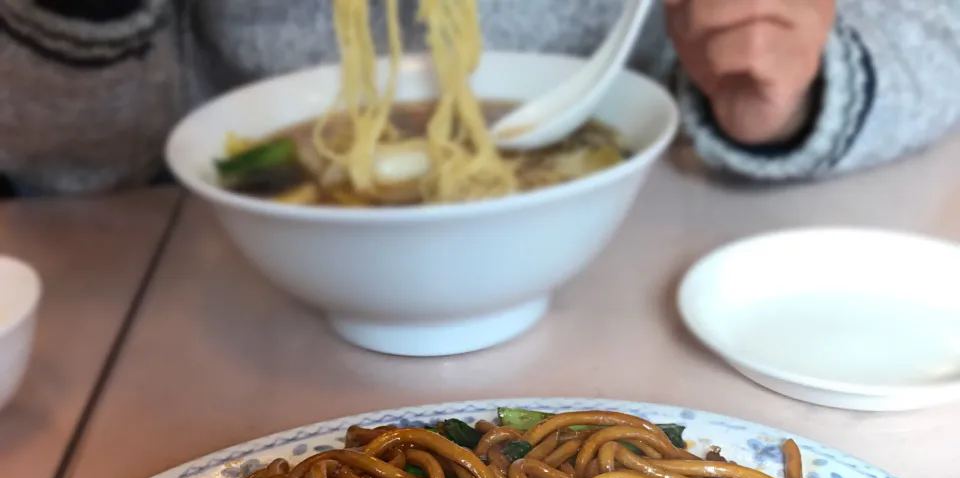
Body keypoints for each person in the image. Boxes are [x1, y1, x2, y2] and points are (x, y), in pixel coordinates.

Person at [0, 0, 957, 196]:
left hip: (649, 262)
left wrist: (787, 93)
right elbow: (71, 151)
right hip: (213, 296)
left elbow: (936, 33)